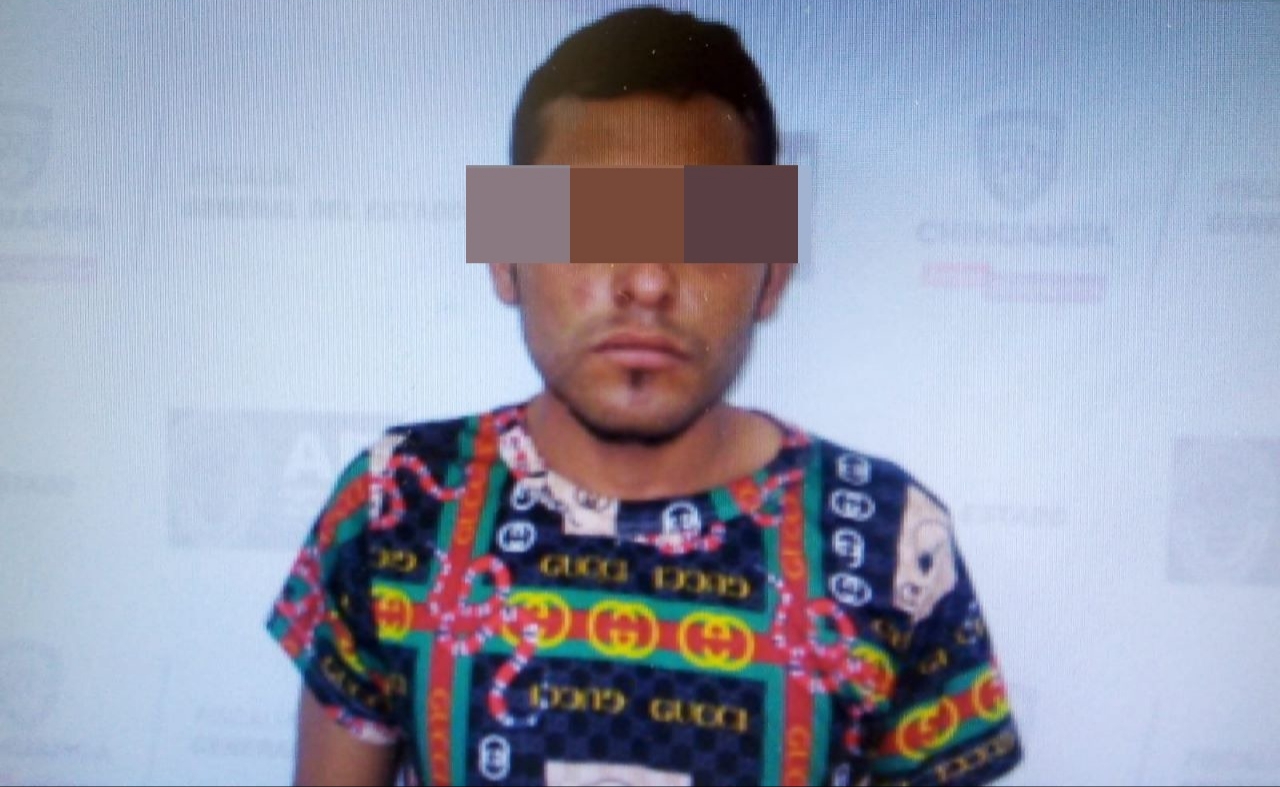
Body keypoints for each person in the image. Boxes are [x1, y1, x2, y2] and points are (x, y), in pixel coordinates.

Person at [267, 6, 1023, 786]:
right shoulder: (397, 502)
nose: (649, 280)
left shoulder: (890, 539)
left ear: (773, 273)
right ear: (504, 253)